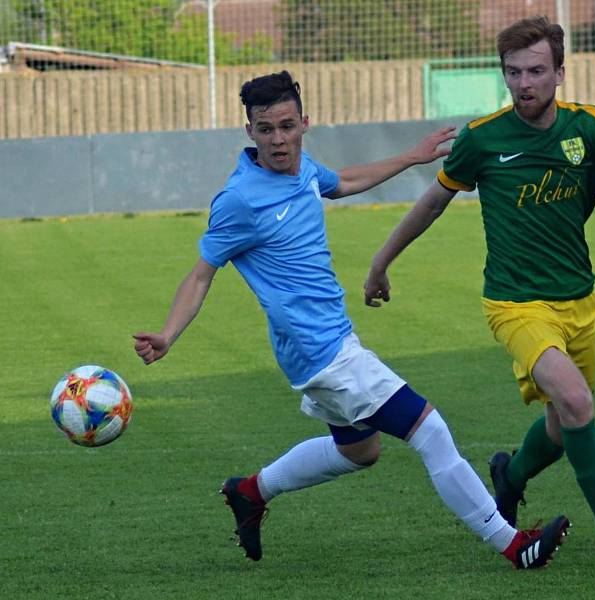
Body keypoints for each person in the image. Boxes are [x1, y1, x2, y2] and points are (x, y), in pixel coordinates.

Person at [133, 71, 570, 569]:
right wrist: (168, 334)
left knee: (359, 451)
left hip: (323, 344)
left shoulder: (300, 170)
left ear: (305, 124)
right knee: (430, 432)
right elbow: (200, 275)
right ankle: (514, 545)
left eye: (287, 126)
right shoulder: (239, 200)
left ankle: (250, 492)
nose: (279, 139)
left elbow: (341, 182)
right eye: (266, 129)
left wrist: (411, 157)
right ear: (248, 132)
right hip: (324, 353)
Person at [364, 16, 595, 554]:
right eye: (513, 72)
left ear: (560, 73)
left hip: (578, 301)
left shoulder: (590, 127)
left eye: (536, 71)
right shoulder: (483, 137)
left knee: (564, 429)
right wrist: (381, 262)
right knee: (576, 401)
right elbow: (432, 203)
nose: (524, 83)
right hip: (515, 304)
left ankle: (510, 478)